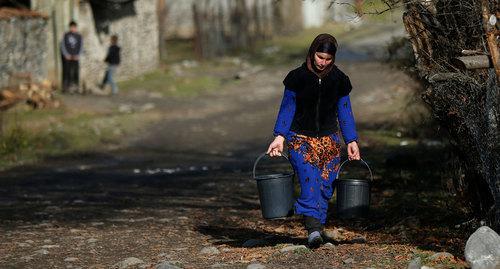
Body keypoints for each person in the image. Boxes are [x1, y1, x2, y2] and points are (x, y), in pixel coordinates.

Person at [266, 33, 361, 249]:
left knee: (326, 186)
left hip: (330, 141)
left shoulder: (339, 80)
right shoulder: (296, 78)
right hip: (300, 139)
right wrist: (280, 136)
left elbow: (345, 111)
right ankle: (314, 230)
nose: (323, 62)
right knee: (309, 183)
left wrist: (351, 140)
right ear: (312, 52)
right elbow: (287, 107)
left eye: (328, 59)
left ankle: (318, 226)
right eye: (320, 57)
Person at [61, 21, 83, 93]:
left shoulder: (79, 36)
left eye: (74, 27)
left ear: (76, 28)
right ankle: (66, 86)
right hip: (68, 57)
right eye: (71, 27)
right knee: (67, 71)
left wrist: (78, 55)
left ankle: (76, 86)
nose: (73, 28)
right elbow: (63, 46)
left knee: (75, 71)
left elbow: (81, 46)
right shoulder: (66, 35)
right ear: (70, 27)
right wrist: (66, 54)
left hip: (76, 56)